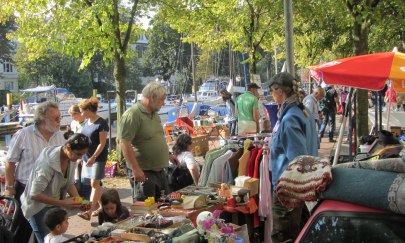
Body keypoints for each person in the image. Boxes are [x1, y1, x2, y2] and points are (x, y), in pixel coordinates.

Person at [4, 101, 66, 243]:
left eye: (60, 117)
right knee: (22, 231)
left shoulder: (59, 136)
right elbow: (10, 161)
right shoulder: (23, 134)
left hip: (50, 190)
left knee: (48, 230)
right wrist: (9, 187)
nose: (59, 121)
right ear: (43, 119)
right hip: (26, 189)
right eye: (55, 118)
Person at [268, 72, 318, 242]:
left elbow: (298, 158)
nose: (271, 96)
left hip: (289, 189)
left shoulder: (290, 118)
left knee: (284, 236)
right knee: (300, 232)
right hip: (297, 188)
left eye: (272, 92)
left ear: (279, 92)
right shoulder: (302, 112)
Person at [21, 133, 89, 242]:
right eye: (78, 154)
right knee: (48, 239)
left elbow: (69, 182)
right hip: (38, 207)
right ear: (68, 148)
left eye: (83, 155)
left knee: (53, 238)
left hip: (53, 205)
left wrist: (79, 200)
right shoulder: (47, 163)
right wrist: (63, 203)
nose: (80, 158)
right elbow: (34, 194)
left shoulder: (71, 158)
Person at [119, 82, 170, 201]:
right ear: (152, 97)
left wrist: (169, 155)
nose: (164, 103)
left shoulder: (154, 114)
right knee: (146, 212)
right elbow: (124, 143)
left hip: (160, 172)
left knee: (165, 207)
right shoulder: (133, 114)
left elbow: (156, 138)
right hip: (144, 173)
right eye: (162, 99)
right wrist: (135, 169)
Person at [77, 97, 109, 220]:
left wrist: (94, 157)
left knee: (94, 183)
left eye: (82, 111)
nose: (81, 114)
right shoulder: (86, 122)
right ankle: (102, 206)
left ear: (89, 110)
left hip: (98, 158)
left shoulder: (102, 123)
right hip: (86, 157)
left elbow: (102, 143)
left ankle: (88, 211)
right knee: (95, 185)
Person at [68, 104, 89, 198]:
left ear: (79, 113)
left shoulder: (87, 123)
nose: (72, 117)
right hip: (75, 150)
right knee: (75, 171)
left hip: (84, 150)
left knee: (84, 172)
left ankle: (84, 192)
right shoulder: (73, 123)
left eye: (74, 114)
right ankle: (77, 190)